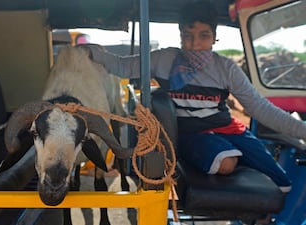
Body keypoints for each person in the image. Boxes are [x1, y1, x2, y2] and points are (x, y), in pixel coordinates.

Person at [87, 1, 306, 193]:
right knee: (227, 163)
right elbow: (123, 66)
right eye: (187, 36)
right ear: (180, 35)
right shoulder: (166, 59)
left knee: (282, 182)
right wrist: (91, 52)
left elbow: (261, 109)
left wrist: (302, 130)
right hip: (191, 134)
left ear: (214, 38)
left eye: (204, 36)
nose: (195, 43)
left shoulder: (225, 67)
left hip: (230, 129)